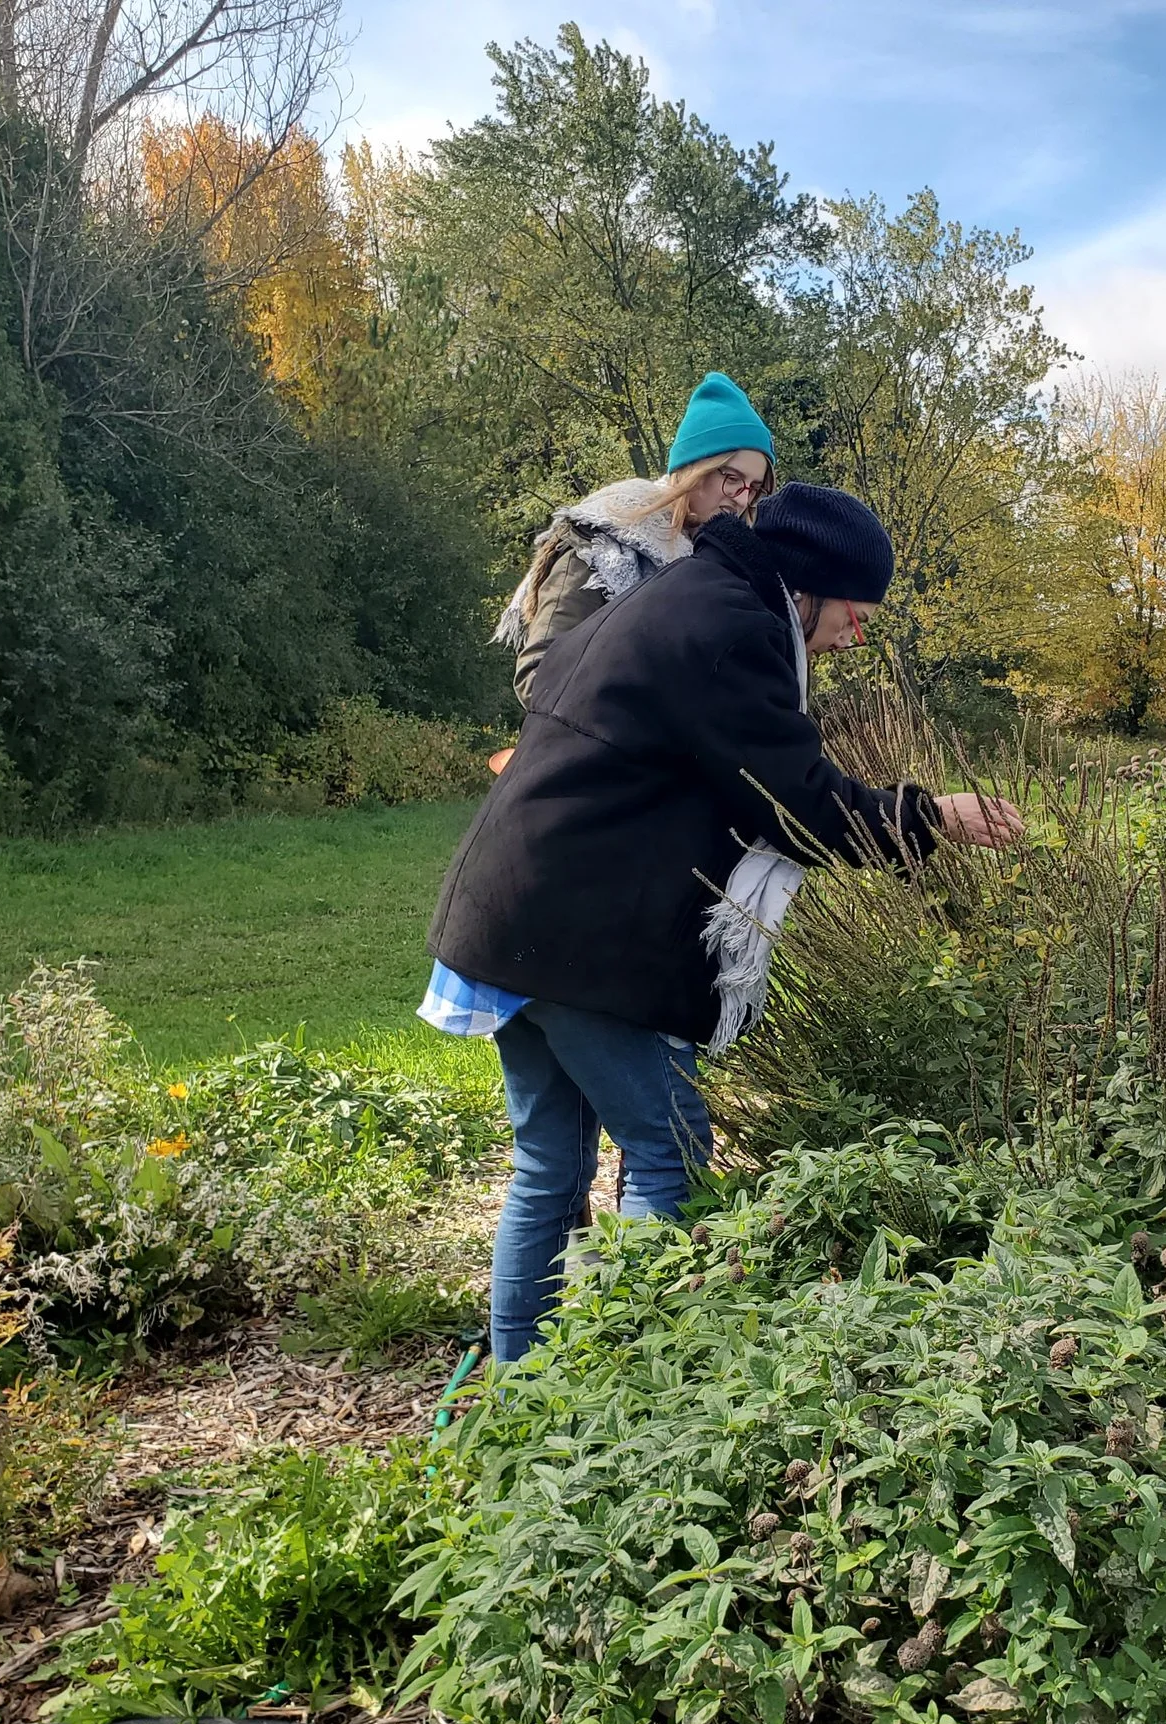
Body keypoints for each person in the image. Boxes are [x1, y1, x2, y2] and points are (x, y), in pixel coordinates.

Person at [421, 483, 1023, 1362]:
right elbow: (798, 802)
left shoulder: (686, 593)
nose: (855, 635)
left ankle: (518, 1395)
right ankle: (623, 1382)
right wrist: (932, 817)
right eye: (854, 613)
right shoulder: (732, 627)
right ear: (807, 585)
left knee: (549, 1165)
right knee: (670, 1151)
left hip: (509, 908)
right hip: (574, 935)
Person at [493, 371, 776, 713]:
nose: (742, 499)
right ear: (695, 468)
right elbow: (539, 677)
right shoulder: (601, 539)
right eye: (732, 478)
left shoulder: (726, 566)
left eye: (754, 488)